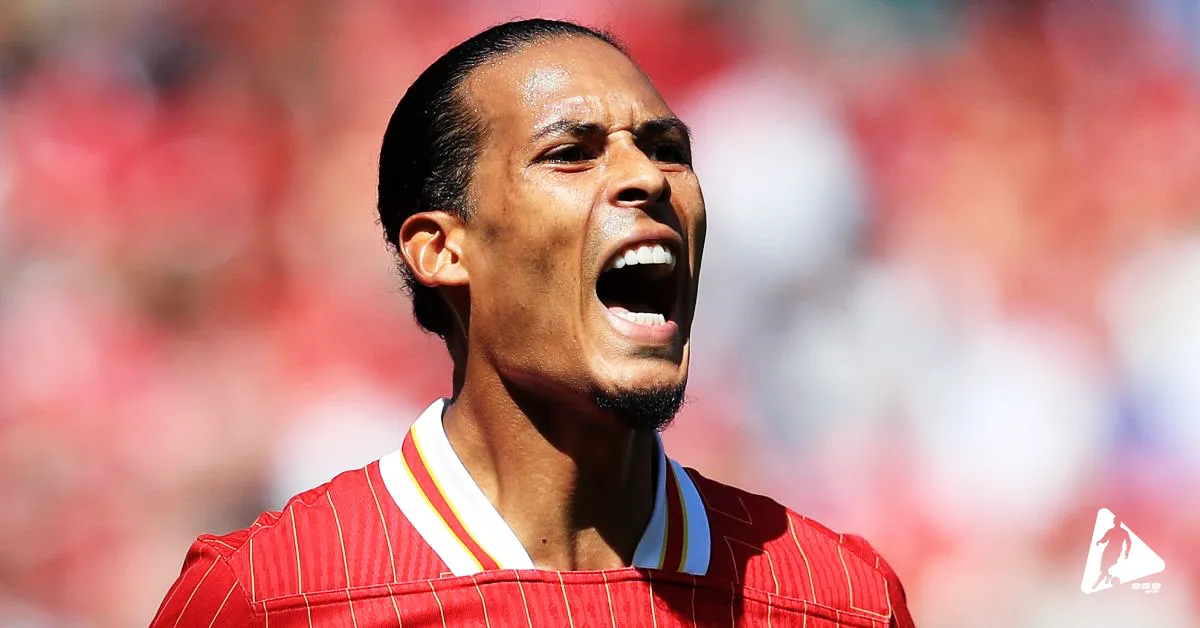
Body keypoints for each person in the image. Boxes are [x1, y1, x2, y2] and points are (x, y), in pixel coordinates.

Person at [149, 18, 915, 627]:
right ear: (442, 249)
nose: (647, 177)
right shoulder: (273, 597)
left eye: (667, 149)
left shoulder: (839, 600)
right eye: (572, 152)